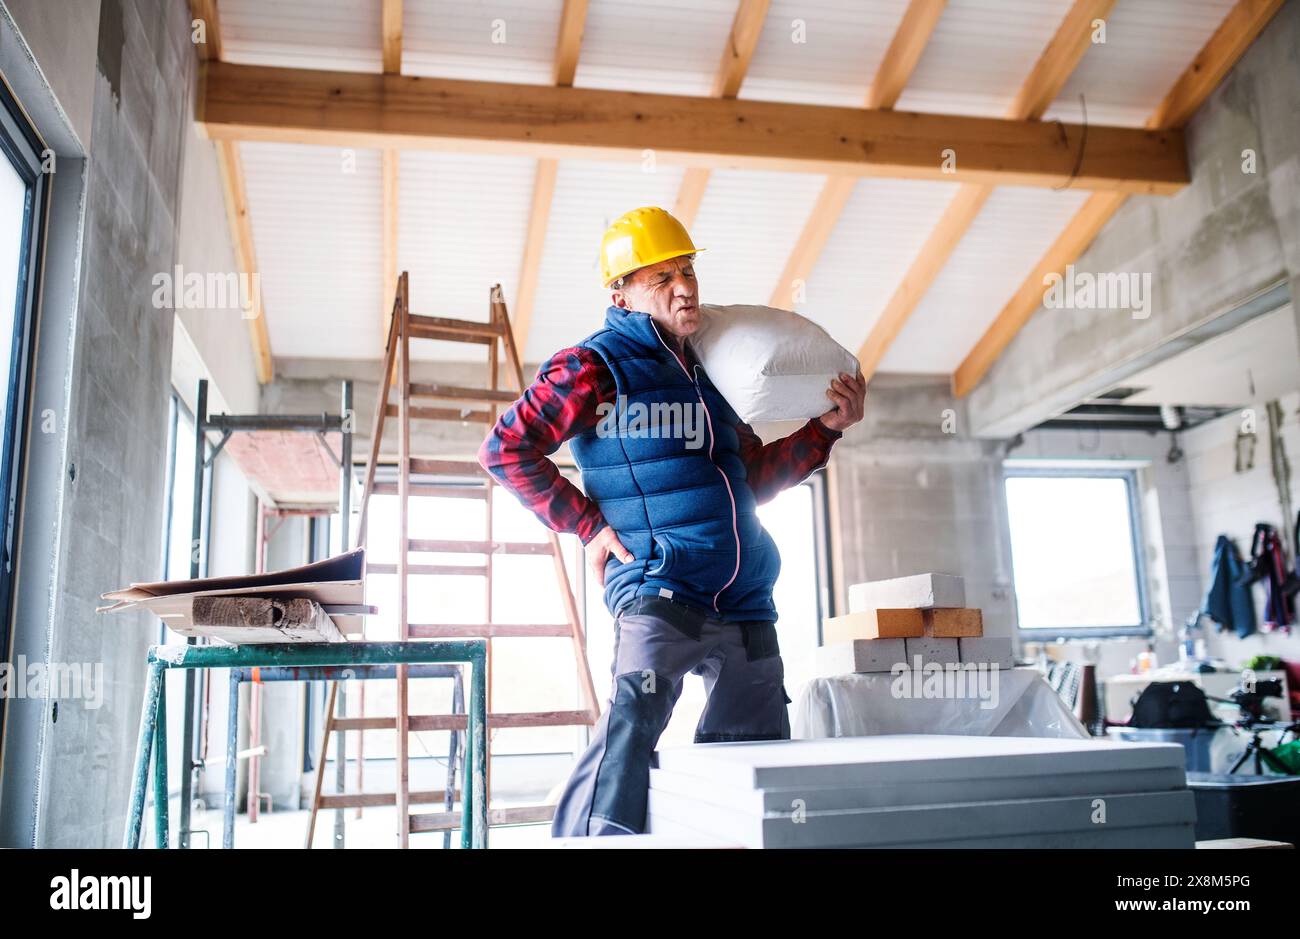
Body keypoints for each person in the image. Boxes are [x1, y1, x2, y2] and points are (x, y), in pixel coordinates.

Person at [478, 206, 866, 836]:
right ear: (621, 293)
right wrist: (588, 525)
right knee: (628, 742)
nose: (683, 286)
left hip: (745, 597)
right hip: (662, 588)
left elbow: (751, 479)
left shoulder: (712, 375)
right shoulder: (592, 368)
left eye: (686, 269)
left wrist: (823, 432)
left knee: (755, 758)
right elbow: (504, 450)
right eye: (660, 278)